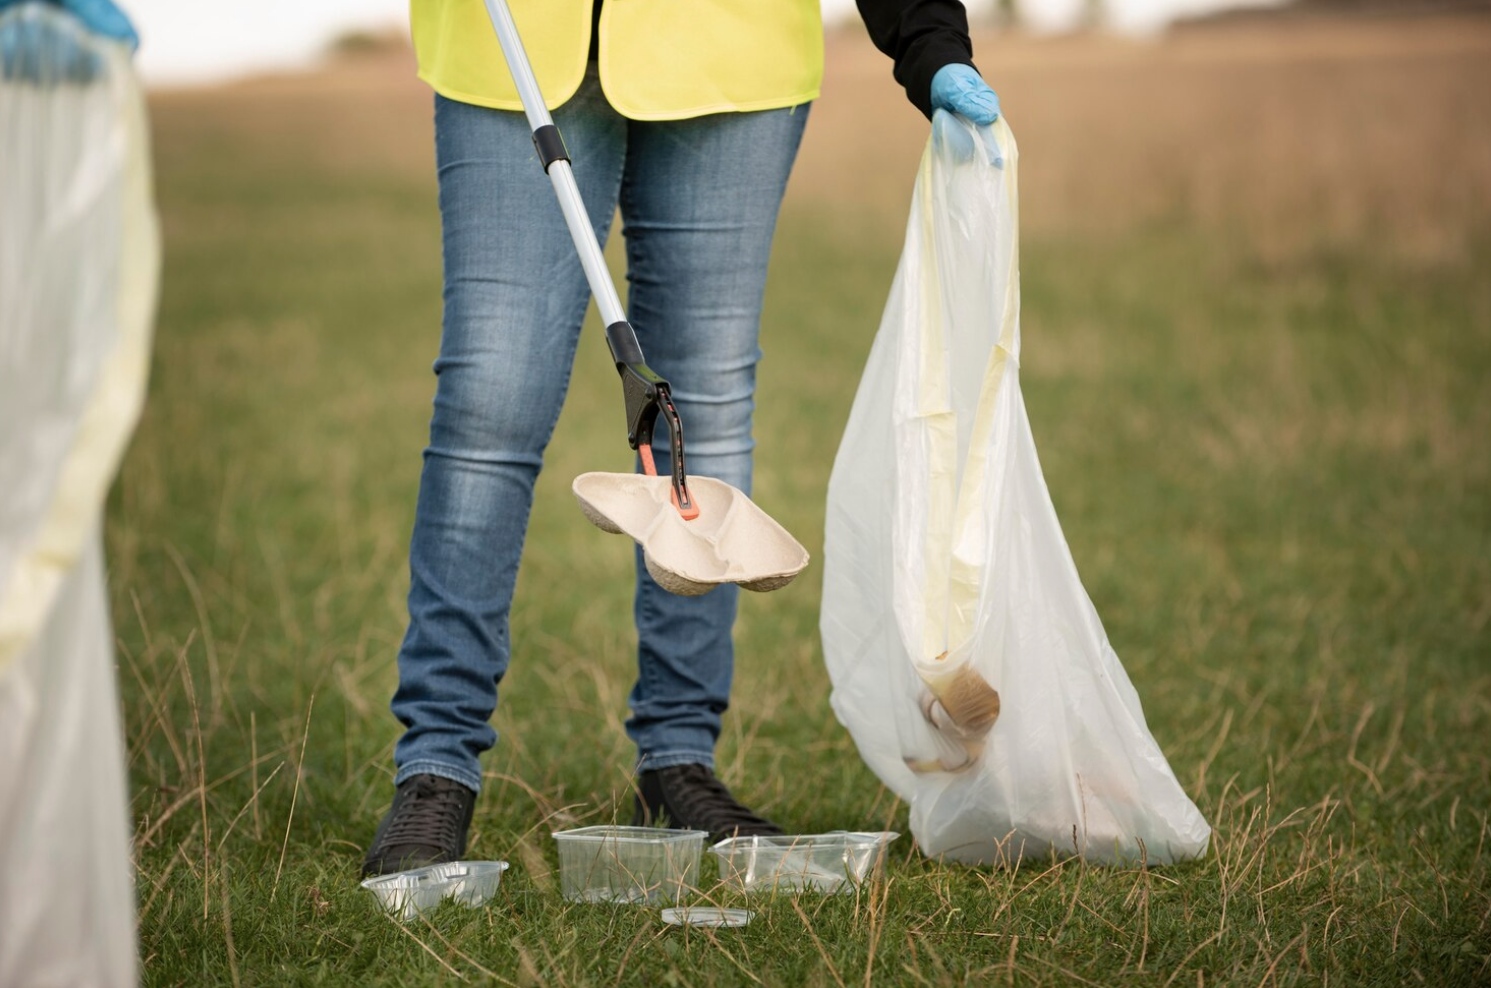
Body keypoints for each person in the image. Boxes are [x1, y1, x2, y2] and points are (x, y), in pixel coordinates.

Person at [363, 0, 1001, 876]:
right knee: (491, 398)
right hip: (513, 44)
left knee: (699, 412)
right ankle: (435, 768)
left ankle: (678, 758)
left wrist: (927, 39)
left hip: (730, 52)